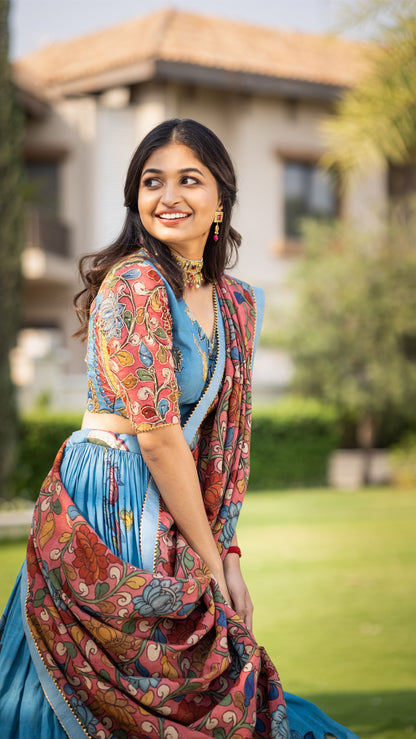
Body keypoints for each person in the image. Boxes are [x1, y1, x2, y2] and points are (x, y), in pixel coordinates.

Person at [0, 119, 359, 739]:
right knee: (134, 694)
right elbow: (161, 438)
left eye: (189, 180)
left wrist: (231, 554)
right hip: (108, 500)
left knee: (209, 686)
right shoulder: (137, 283)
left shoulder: (238, 302)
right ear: (135, 200)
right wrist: (212, 569)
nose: (168, 196)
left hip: (174, 498)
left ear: (221, 198)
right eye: (151, 181)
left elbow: (228, 443)